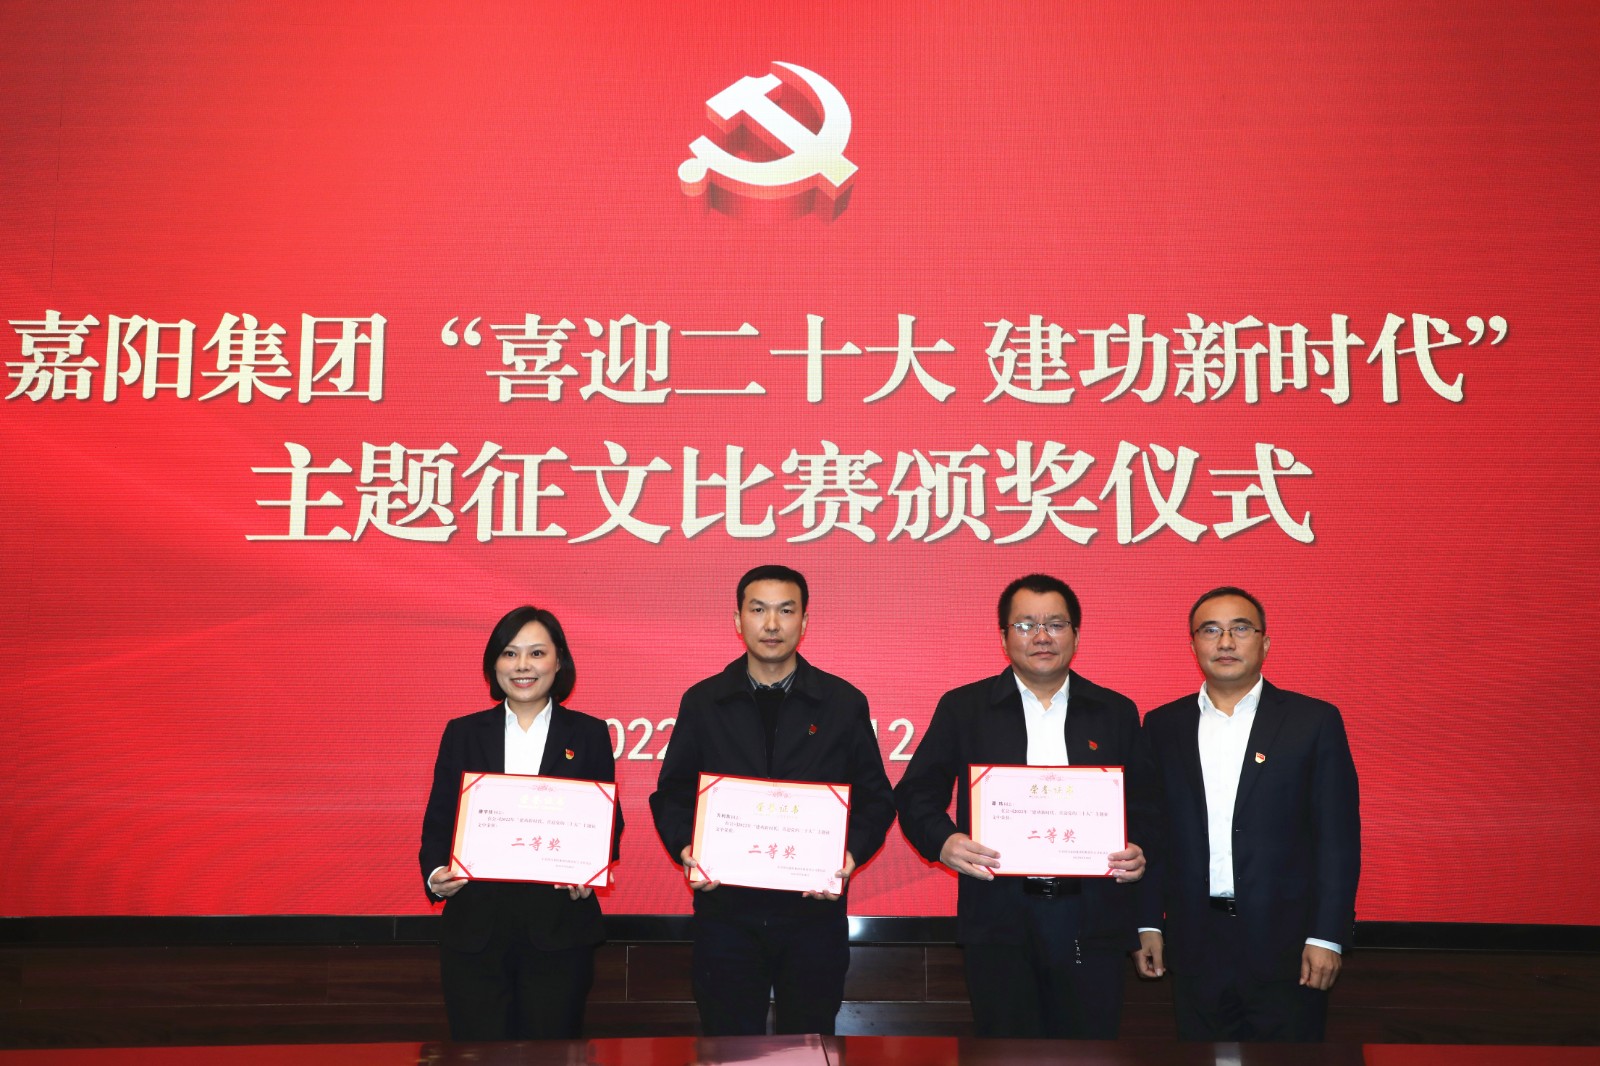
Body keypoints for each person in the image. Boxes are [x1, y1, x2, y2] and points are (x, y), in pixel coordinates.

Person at [894, 574, 1154, 1038]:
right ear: (1003, 637)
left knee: (1090, 1052)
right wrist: (944, 842)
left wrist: (1139, 849)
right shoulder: (964, 708)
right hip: (999, 917)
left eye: (1055, 624)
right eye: (1026, 625)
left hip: (1091, 917)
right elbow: (916, 793)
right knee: (1004, 1052)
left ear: (1076, 635)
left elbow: (1146, 805)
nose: (1041, 636)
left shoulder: (1114, 711)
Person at [649, 564, 896, 1036]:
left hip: (812, 914)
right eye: (758, 610)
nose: (771, 624)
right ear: (737, 620)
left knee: (809, 1043)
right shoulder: (703, 701)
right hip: (726, 913)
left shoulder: (842, 702)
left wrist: (848, 857)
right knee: (727, 1046)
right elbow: (673, 793)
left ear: (804, 622)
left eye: (785, 611)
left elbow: (877, 799)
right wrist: (686, 847)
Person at [1135, 586, 1360, 1042]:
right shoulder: (1163, 725)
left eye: (1240, 629)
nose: (1225, 642)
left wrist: (1326, 936)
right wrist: (1148, 922)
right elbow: (1152, 833)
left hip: (1289, 945)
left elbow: (1337, 840)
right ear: (1193, 645)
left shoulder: (1312, 721)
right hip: (1195, 941)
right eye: (1210, 631)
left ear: (1265, 642)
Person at [418, 606, 622, 1040]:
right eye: (510, 654)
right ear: (494, 664)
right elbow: (439, 818)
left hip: (559, 930)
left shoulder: (588, 733)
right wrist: (436, 875)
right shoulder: (463, 733)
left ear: (559, 661)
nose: (522, 666)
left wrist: (589, 868)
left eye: (536, 653)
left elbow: (607, 820)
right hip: (476, 930)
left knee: (553, 1052)